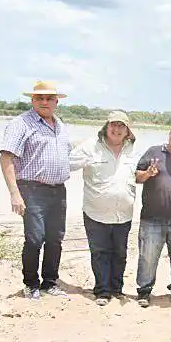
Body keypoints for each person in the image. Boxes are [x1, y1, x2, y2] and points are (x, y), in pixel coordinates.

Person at [0, 80, 72, 300]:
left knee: (55, 238)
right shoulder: (21, 123)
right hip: (31, 190)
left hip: (58, 191)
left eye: (49, 98)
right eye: (39, 98)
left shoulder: (60, 124)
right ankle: (30, 283)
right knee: (34, 238)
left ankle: (50, 282)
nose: (44, 102)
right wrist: (14, 193)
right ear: (32, 100)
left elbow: (67, 156)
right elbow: (6, 157)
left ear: (56, 102)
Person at [69, 111, 138, 306]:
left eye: (121, 126)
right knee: (100, 253)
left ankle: (117, 289)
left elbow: (137, 177)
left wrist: (148, 174)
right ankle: (102, 291)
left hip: (123, 215)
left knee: (120, 254)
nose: (116, 129)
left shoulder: (132, 150)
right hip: (95, 213)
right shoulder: (90, 146)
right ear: (106, 126)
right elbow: (66, 163)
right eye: (113, 125)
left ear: (127, 131)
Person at [134, 122, 171, 307]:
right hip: (152, 218)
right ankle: (144, 291)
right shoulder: (153, 151)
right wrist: (148, 174)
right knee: (148, 257)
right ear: (169, 133)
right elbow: (136, 177)